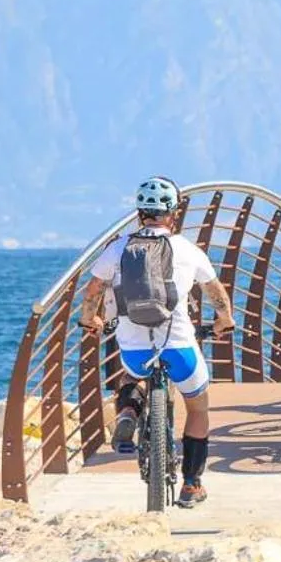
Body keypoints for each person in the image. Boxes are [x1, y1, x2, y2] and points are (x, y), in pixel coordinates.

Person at [79, 177, 236, 508]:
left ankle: (128, 411)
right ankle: (192, 484)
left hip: (135, 347)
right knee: (198, 405)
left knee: (131, 375)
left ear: (140, 213)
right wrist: (224, 321)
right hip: (178, 345)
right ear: (173, 214)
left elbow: (92, 290)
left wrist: (89, 319)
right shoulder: (187, 250)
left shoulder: (119, 248)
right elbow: (216, 293)